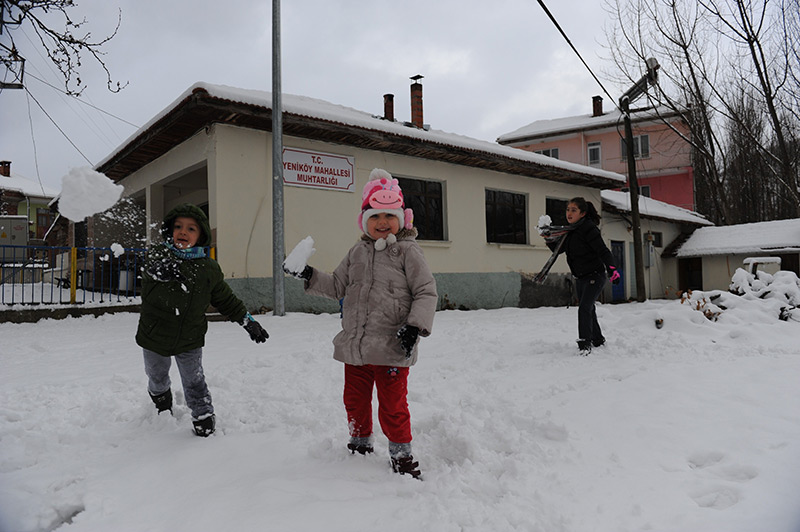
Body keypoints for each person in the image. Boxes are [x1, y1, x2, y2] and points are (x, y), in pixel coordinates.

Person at [283, 168, 437, 479]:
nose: (382, 223)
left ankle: (401, 454)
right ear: (364, 221)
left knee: (393, 404)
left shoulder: (408, 251)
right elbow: (337, 285)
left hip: (393, 345)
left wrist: (414, 326)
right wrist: (309, 274)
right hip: (356, 347)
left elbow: (426, 291)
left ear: (401, 219)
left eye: (389, 216)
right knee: (354, 399)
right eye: (375, 216)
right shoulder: (357, 251)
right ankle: (360, 441)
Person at [136, 203, 269, 437]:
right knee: (156, 377)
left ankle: (202, 414)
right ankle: (161, 401)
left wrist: (248, 321)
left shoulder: (207, 268)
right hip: (154, 334)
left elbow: (225, 298)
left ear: (201, 235)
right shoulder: (158, 255)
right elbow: (149, 272)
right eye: (178, 227)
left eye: (191, 228)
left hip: (190, 337)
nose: (183, 232)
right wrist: (159, 270)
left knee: (194, 380)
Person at [544, 197, 619, 355]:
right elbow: (558, 249)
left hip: (595, 275)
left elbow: (603, 251)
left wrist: (612, 269)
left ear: (583, 213)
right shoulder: (570, 231)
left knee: (584, 308)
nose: (569, 213)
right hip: (581, 277)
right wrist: (548, 238)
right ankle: (598, 339)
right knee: (589, 308)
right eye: (568, 210)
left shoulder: (589, 229)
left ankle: (585, 343)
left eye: (573, 210)